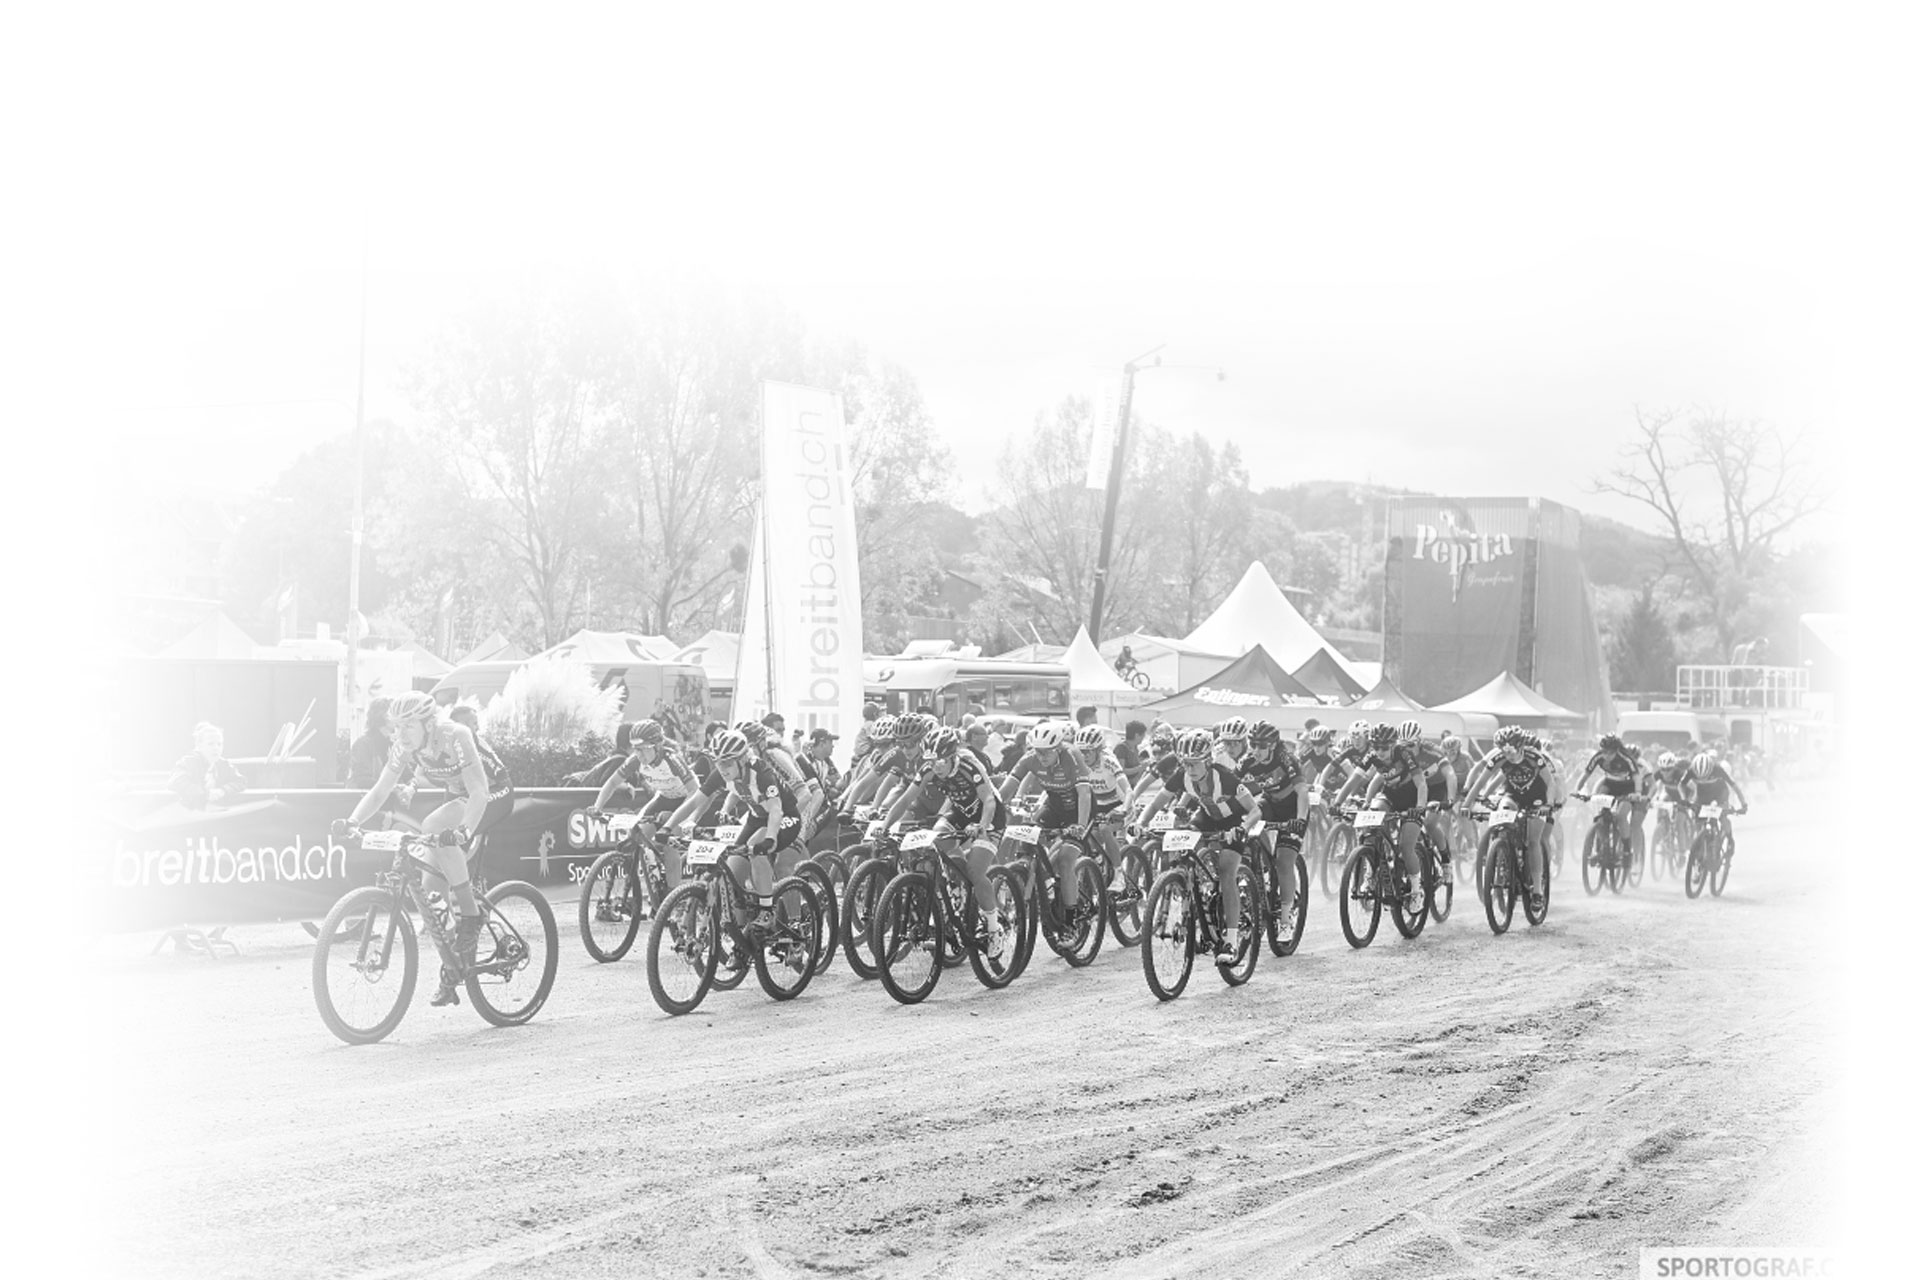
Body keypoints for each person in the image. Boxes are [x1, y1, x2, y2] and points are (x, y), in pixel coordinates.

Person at [338, 692, 513, 1007]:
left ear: (428, 724)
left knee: (432, 824)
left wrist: (464, 831)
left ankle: (471, 915)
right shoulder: (404, 747)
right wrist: (352, 821)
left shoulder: (455, 735)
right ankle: (454, 969)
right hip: (459, 797)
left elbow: (479, 791)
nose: (400, 734)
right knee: (433, 897)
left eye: (408, 726)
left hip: (492, 793)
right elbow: (380, 790)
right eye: (396, 726)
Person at [1135, 729, 1257, 963]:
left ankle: (1231, 941)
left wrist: (1242, 828)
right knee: (1182, 841)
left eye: (1194, 763)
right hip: (1207, 816)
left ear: (1208, 761)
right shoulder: (1182, 775)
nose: (1189, 769)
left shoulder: (1226, 778)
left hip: (1233, 822)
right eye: (1185, 763)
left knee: (1226, 871)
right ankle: (1194, 890)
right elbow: (1156, 803)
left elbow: (1255, 810)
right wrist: (1140, 823)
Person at [170, 722, 246, 808]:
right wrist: (205, 794)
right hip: (191, 810)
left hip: (217, 810)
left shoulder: (224, 764)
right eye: (211, 744)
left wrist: (223, 790)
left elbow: (241, 781)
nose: (216, 748)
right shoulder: (187, 762)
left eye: (219, 744)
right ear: (199, 745)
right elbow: (175, 782)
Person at [348, 699, 394, 788]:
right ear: (384, 716)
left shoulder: (393, 745)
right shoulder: (362, 744)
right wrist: (392, 787)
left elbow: (408, 776)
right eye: (395, 713)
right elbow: (362, 780)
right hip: (362, 795)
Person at [1114, 720, 1149, 788]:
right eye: (1143, 735)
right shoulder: (1121, 748)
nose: (1143, 738)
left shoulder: (1135, 747)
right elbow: (1121, 771)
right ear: (1137, 735)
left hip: (1133, 785)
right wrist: (1140, 768)